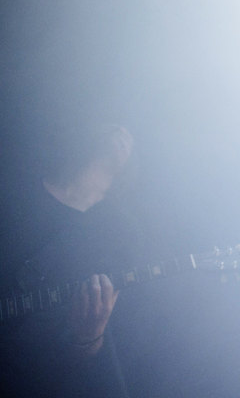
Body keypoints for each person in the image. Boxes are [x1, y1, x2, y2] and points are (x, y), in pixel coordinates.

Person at [0, 120, 140, 398]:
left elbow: (97, 357)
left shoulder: (121, 233)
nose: (123, 132)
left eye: (132, 134)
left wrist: (90, 337)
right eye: (116, 123)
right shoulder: (14, 184)